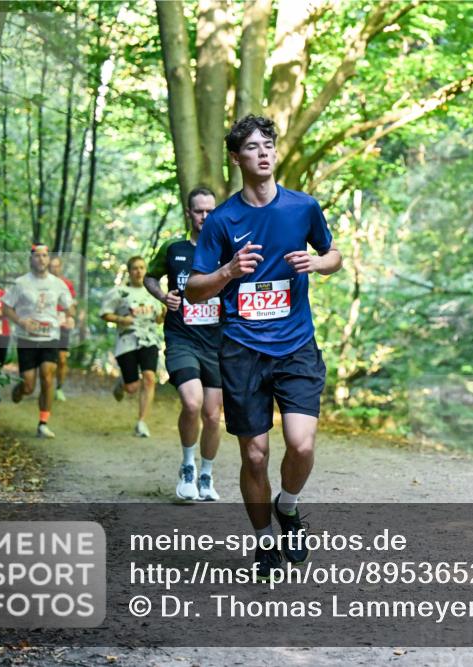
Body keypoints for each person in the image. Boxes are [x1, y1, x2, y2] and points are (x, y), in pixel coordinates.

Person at [186, 115, 341, 575]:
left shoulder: (302, 207)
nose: (263, 152)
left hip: (296, 345)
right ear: (236, 158)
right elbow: (195, 288)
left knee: (302, 444)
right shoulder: (222, 220)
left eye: (268, 145)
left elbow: (335, 255)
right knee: (254, 454)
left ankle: (288, 507)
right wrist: (229, 272)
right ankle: (264, 542)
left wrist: (316, 263)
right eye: (252, 147)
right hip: (241, 350)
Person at [145, 187, 224, 501]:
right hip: (181, 339)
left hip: (217, 343)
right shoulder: (173, 247)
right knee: (191, 403)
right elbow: (150, 277)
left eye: (209, 211)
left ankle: (206, 475)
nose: (204, 217)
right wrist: (163, 296)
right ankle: (188, 466)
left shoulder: (227, 249)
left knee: (213, 415)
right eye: (198, 211)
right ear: (188, 213)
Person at [1, 244, 74, 438]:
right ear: (31, 259)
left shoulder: (58, 284)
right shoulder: (21, 283)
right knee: (29, 385)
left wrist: (68, 316)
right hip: (26, 339)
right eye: (37, 256)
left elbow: (69, 308)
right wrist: (21, 321)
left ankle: (43, 423)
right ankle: (20, 389)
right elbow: (6, 307)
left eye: (44, 256)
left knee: (47, 376)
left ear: (48, 260)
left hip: (50, 337)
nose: (41, 259)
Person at [100, 256, 164, 438]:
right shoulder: (119, 292)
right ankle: (123, 383)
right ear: (129, 271)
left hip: (149, 339)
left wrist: (164, 316)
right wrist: (121, 319)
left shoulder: (154, 292)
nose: (139, 271)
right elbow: (104, 314)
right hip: (126, 340)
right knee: (132, 388)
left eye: (142, 268)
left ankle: (142, 422)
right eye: (135, 268)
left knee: (150, 377)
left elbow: (158, 318)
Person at [48, 255, 77, 402]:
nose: (54, 269)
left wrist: (71, 315)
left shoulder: (67, 284)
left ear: (61, 267)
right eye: (51, 266)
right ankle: (47, 385)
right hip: (46, 324)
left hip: (62, 323)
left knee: (62, 358)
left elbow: (72, 305)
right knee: (48, 360)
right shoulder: (43, 283)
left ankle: (59, 388)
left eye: (57, 266)